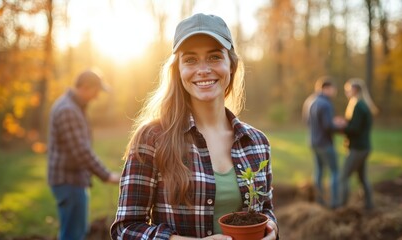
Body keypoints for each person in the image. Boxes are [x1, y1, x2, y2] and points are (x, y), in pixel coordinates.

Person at [110, 13, 278, 240]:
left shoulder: (257, 142)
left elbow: (265, 211)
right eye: (190, 60)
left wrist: (272, 229)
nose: (203, 69)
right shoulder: (152, 139)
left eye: (214, 57)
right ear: (177, 71)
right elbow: (126, 229)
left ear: (231, 66)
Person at [47, 69, 120, 240]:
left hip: (71, 180)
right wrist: (106, 175)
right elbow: (81, 152)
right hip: (69, 181)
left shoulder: (73, 107)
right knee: (73, 234)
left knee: (72, 231)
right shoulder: (68, 110)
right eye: (96, 91)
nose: (96, 97)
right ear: (86, 87)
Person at [338, 78, 378, 210]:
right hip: (363, 147)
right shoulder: (360, 104)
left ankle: (343, 206)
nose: (347, 92)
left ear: (354, 90)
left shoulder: (359, 106)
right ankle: (369, 205)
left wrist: (341, 127)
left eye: (348, 90)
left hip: (358, 148)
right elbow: (356, 125)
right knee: (362, 178)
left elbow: (355, 129)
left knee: (344, 177)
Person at [307, 76, 343, 209]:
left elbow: (308, 122)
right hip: (325, 143)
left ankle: (319, 201)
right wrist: (340, 125)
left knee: (319, 172)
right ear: (326, 88)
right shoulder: (326, 103)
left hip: (313, 142)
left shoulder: (310, 101)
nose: (334, 92)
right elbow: (328, 126)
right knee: (334, 171)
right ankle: (335, 203)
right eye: (333, 89)